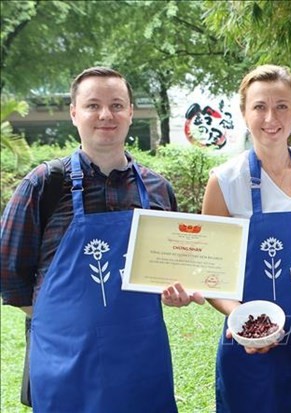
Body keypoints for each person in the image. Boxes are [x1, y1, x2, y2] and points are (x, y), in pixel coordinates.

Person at [0, 67, 178, 413]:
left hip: (141, 361)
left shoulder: (157, 189)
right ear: (74, 113)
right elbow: (8, 272)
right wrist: (60, 325)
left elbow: (172, 268)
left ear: (130, 112)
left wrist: (177, 291)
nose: (105, 115)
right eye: (92, 105)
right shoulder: (45, 183)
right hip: (66, 363)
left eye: (116, 105)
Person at [162, 64, 291, 413]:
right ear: (244, 113)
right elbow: (209, 273)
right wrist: (240, 317)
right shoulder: (225, 181)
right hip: (253, 344)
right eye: (259, 106)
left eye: (282, 105)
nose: (271, 117)